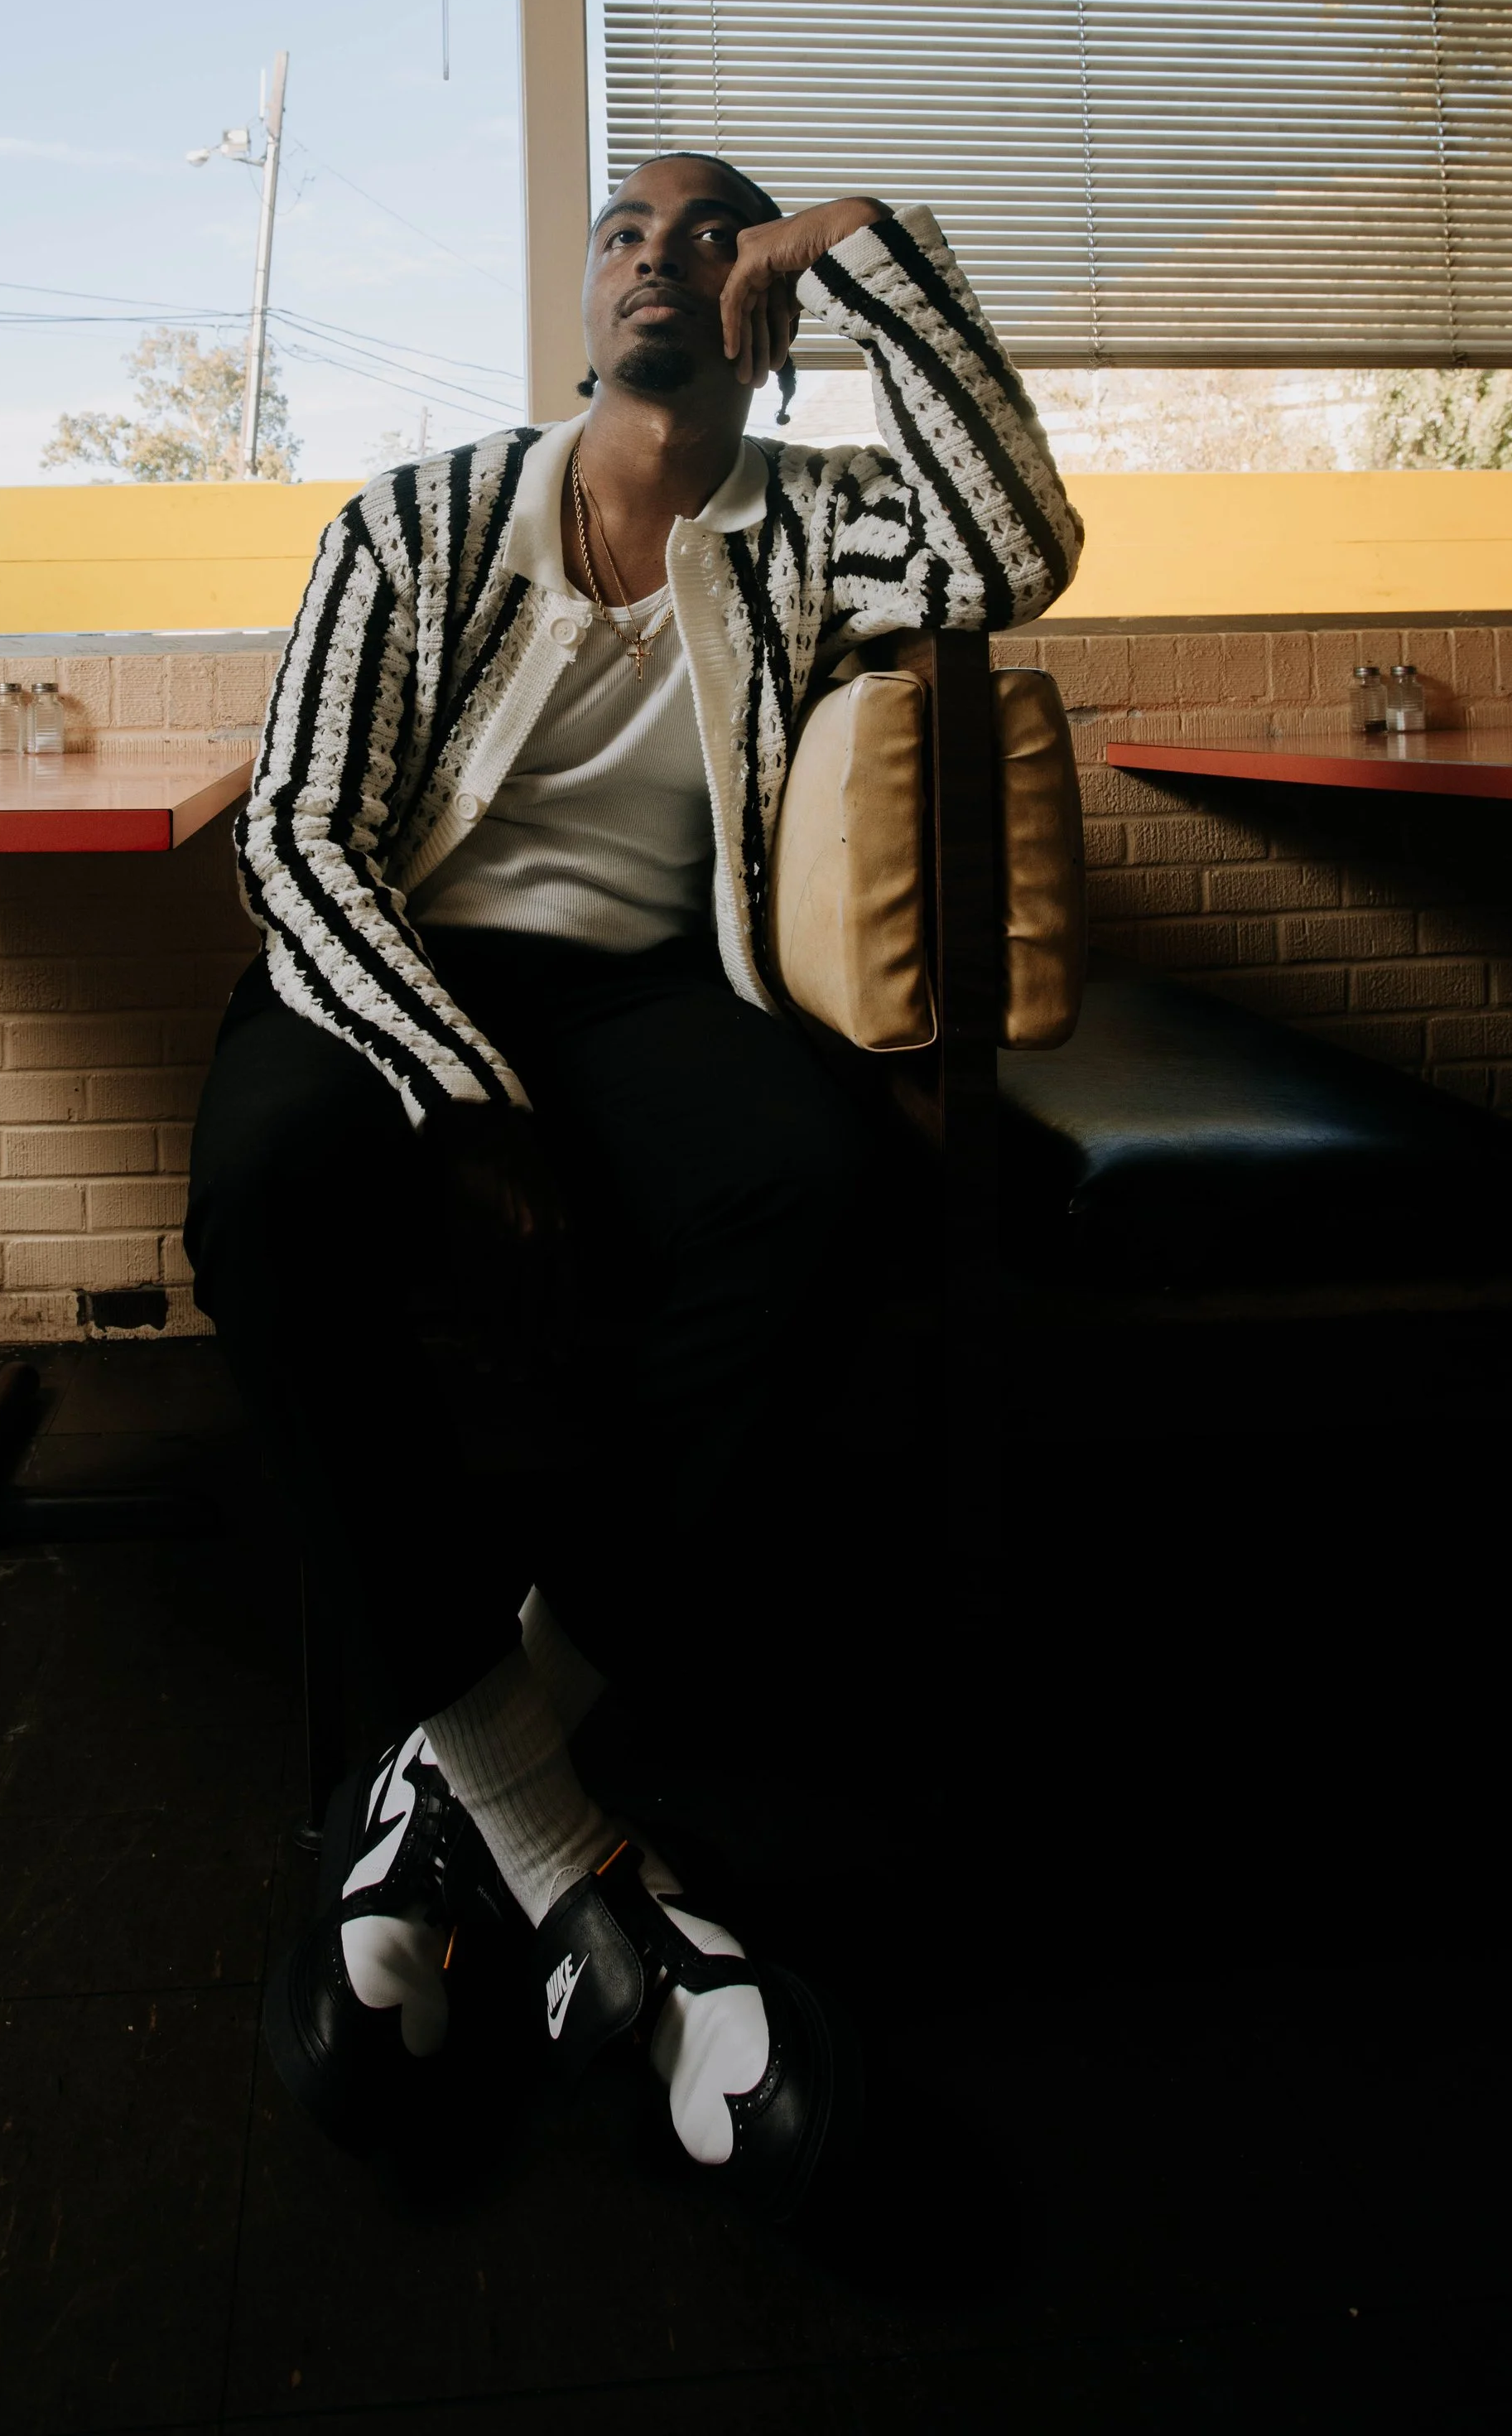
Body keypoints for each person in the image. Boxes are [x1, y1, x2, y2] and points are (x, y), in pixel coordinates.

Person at [185, 159, 1080, 2214]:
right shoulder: (410, 523)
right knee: (262, 1198)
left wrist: (859, 258)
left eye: (703, 228)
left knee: (819, 1188)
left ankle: (457, 1766)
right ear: (578, 299)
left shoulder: (814, 527)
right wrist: (456, 1096)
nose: (651, 251)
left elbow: (1015, 539)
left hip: (651, 993)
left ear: (749, 298)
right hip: (389, 970)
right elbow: (300, 840)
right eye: (616, 228)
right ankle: (578, 1854)